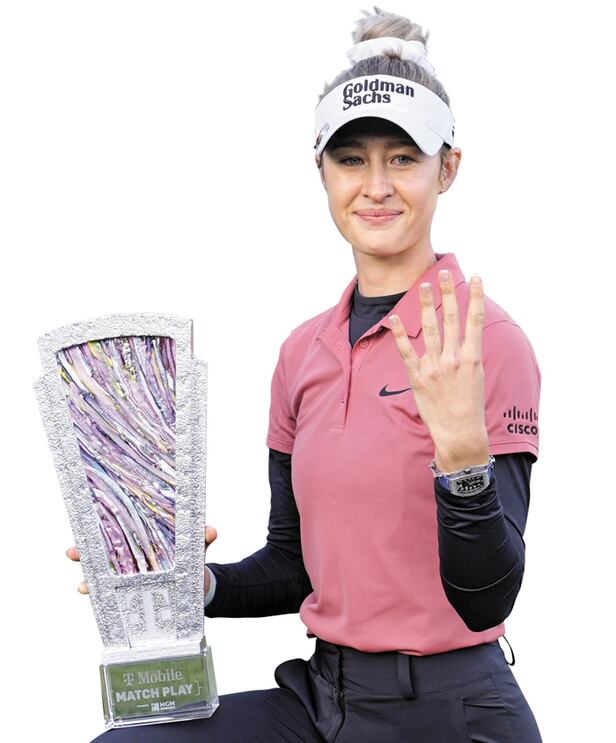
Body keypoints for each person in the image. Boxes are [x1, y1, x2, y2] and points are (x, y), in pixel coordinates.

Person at [74, 7, 544, 741]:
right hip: (325, 699)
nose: (376, 186)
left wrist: (462, 459)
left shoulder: (485, 342)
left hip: (452, 710)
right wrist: (193, 585)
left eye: (404, 158)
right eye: (351, 159)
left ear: (447, 168)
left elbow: (487, 598)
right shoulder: (302, 353)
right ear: (321, 168)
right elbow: (295, 566)